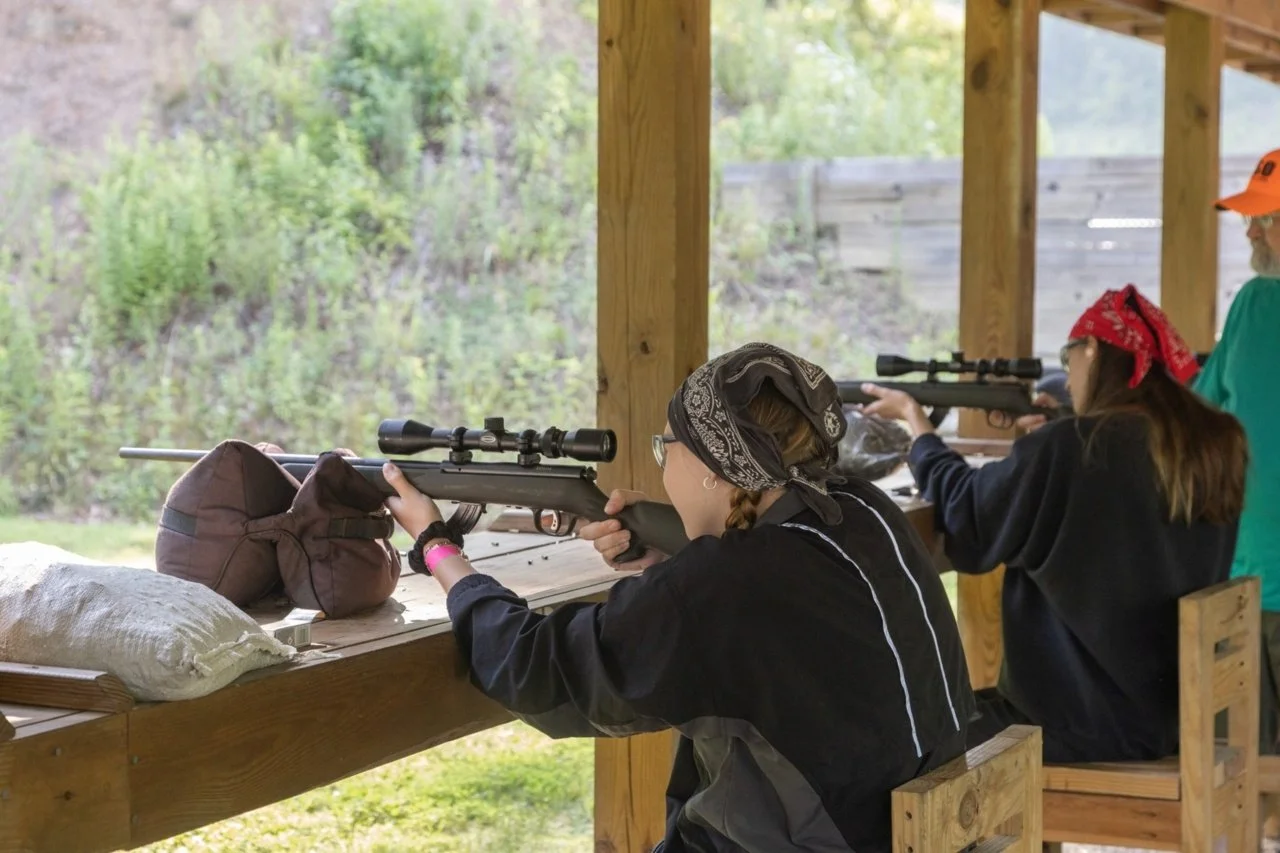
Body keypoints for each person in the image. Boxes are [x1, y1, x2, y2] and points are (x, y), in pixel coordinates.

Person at [380, 342, 973, 853]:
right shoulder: (865, 509)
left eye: (668, 449)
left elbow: (534, 670)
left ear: (715, 468)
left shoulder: (727, 583)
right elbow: (788, 615)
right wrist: (672, 568)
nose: (665, 467)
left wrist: (437, 547)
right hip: (902, 828)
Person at [861, 284, 1247, 764]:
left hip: (1070, 725)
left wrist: (920, 432)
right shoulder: (1215, 444)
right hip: (1165, 720)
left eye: (1069, 358)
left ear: (1092, 351)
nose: (1069, 373)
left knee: (894, 742)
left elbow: (967, 519)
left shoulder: (1072, 448)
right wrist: (1054, 438)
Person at [1198, 150, 1280, 845]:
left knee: (1243, 785)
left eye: (1265, 221)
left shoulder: (1258, 304)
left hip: (1258, 587)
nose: (1250, 235)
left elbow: (1201, 413)